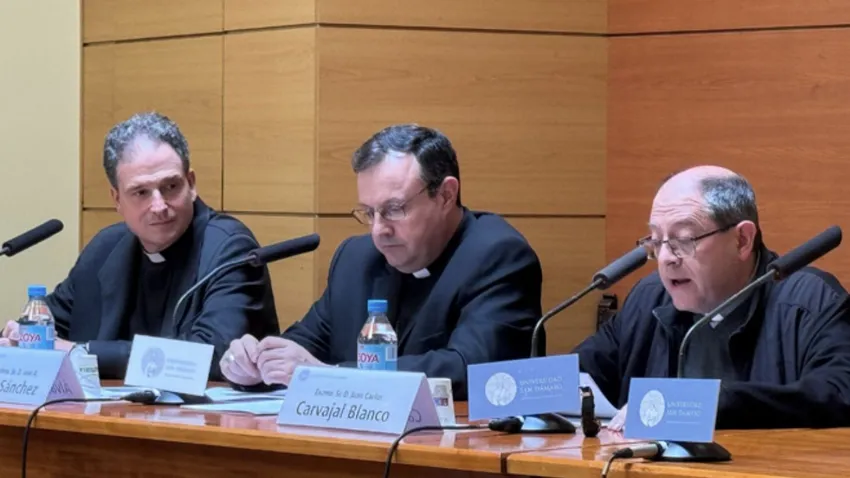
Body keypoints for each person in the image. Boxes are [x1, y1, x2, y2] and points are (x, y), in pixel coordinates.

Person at [220, 124, 542, 399]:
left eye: (394, 210)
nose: (378, 230)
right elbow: (305, 347)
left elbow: (471, 370)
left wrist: (330, 376)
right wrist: (255, 363)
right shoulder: (356, 259)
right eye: (369, 213)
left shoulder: (498, 256)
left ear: (446, 195)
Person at [1, 112, 280, 380]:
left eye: (171, 186)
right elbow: (51, 323)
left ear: (191, 184)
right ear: (116, 199)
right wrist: (20, 336)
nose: (159, 206)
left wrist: (81, 353)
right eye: (141, 192)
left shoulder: (230, 249)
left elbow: (214, 354)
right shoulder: (105, 248)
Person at [575, 165, 850, 429]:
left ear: (742, 240)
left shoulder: (810, 302)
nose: (666, 258)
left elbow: (838, 393)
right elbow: (581, 375)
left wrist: (709, 403)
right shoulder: (650, 298)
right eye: (656, 241)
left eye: (684, 239)